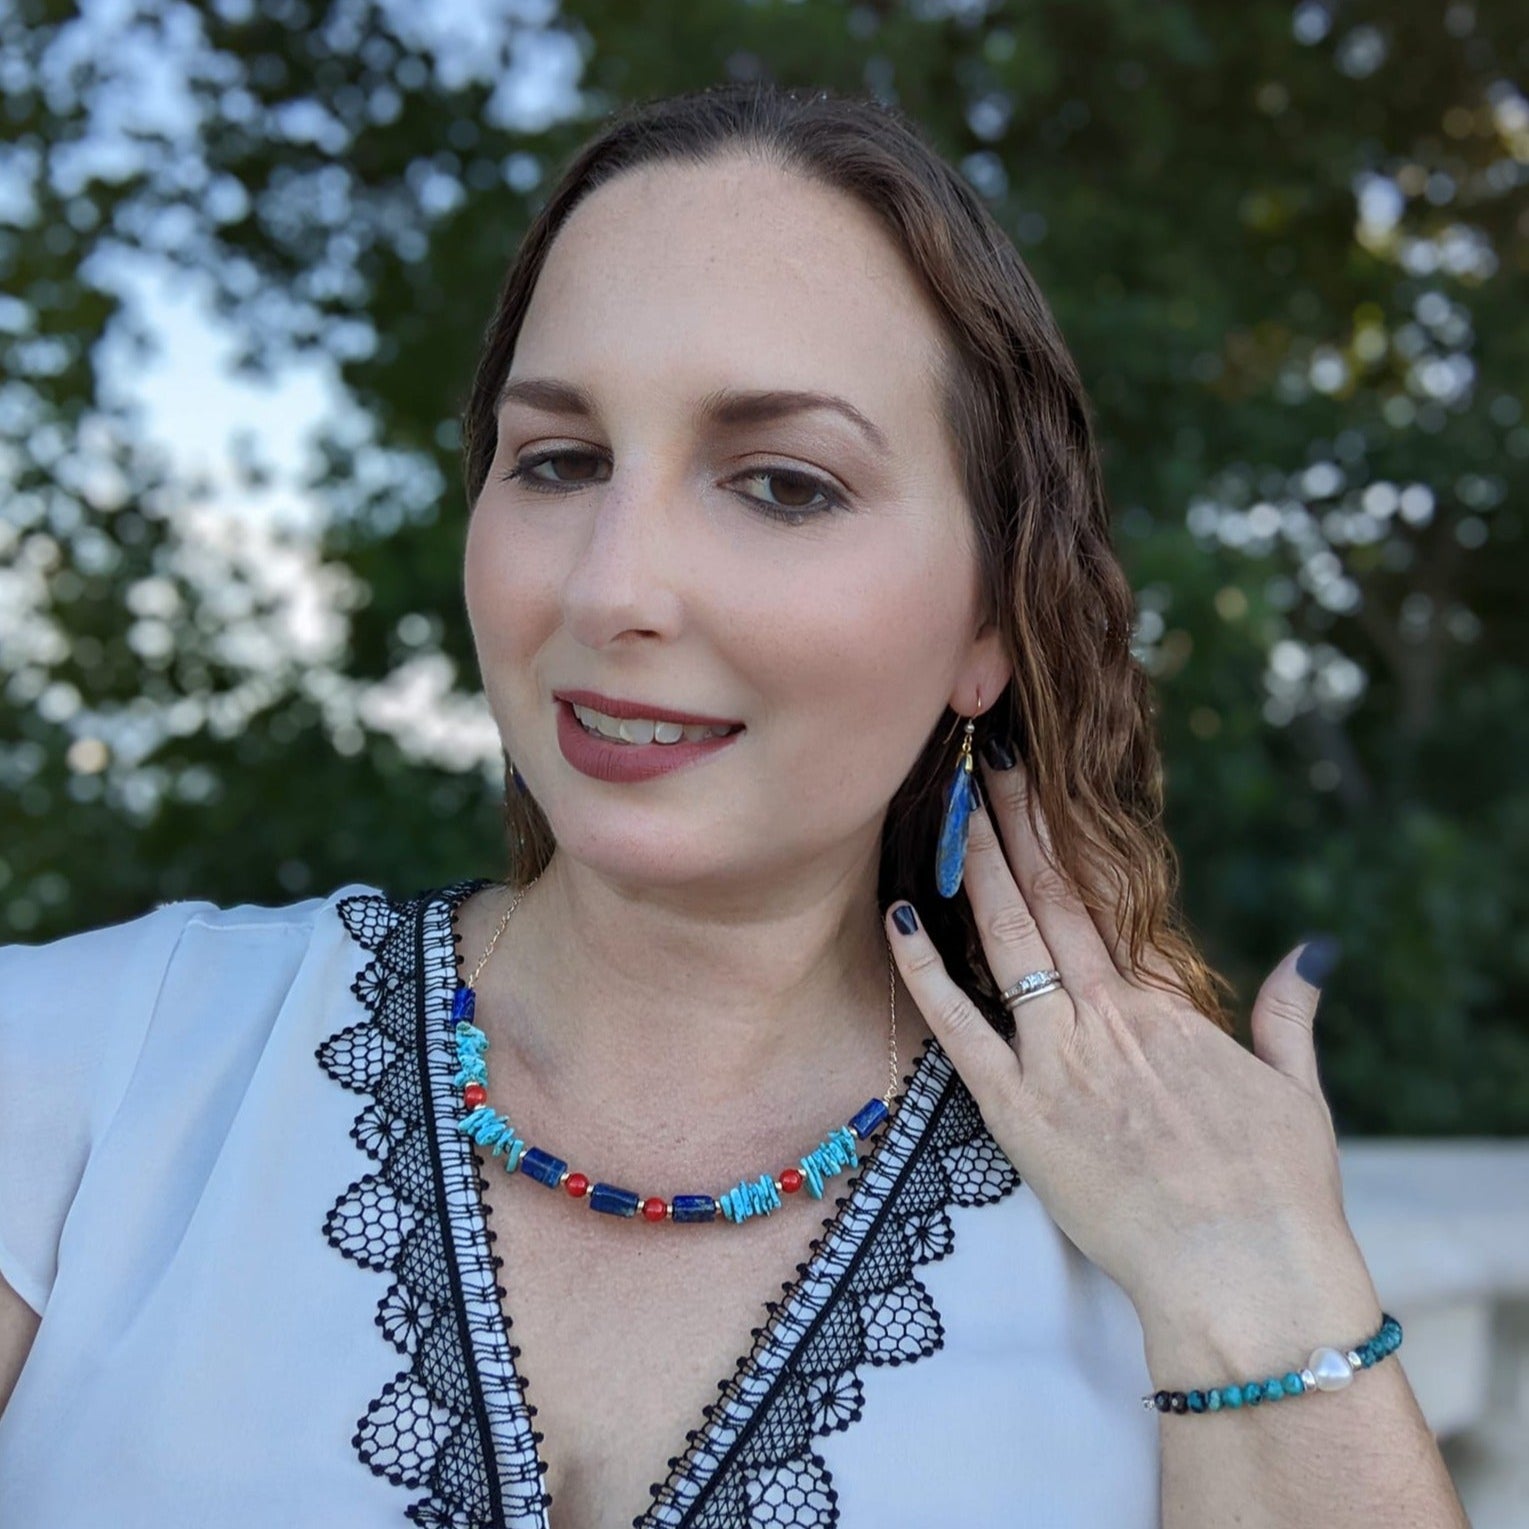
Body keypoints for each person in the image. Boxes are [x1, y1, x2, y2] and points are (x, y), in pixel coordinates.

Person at [0, 81, 1465, 1529]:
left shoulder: (1154, 1259)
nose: (610, 587)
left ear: (989, 623)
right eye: (559, 461)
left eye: (779, 484)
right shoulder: (88, 1070)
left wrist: (1256, 1273)